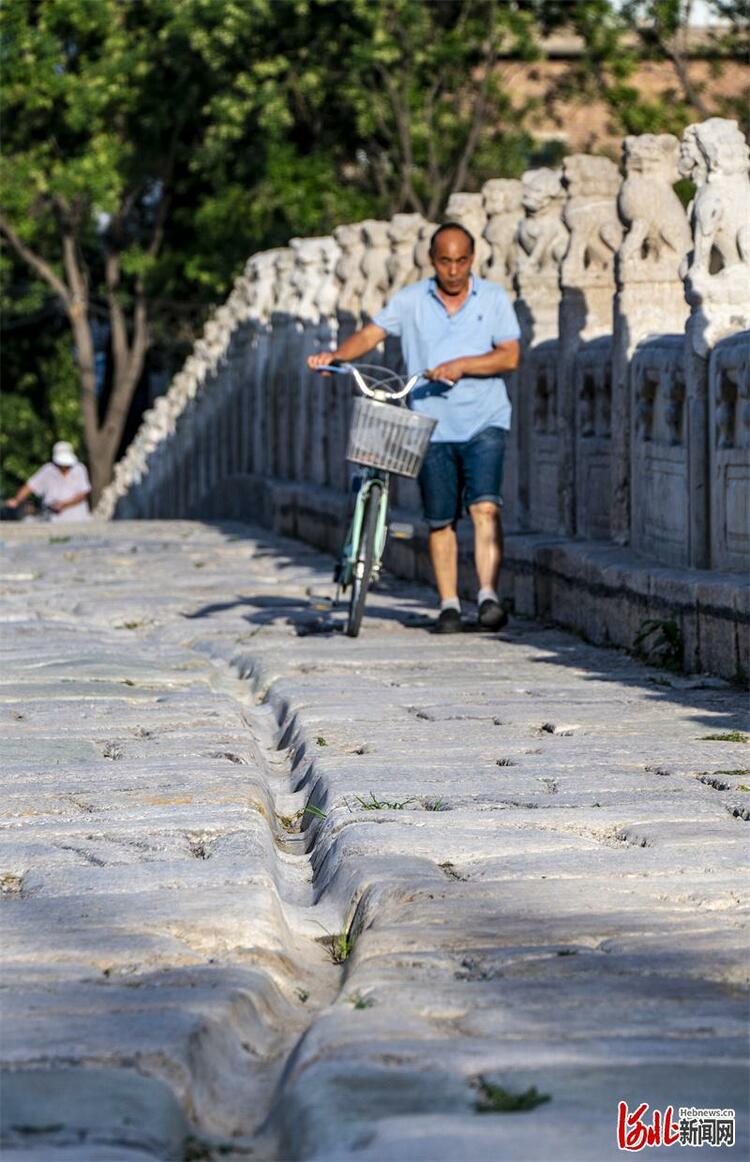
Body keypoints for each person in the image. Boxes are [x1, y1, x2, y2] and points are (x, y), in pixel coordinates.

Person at [308, 222, 521, 633]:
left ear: (472, 260)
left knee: (485, 507)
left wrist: (463, 365)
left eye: (461, 261)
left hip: (485, 419)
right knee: (440, 519)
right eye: (446, 261)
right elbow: (371, 334)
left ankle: (488, 597)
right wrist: (334, 358)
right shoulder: (410, 301)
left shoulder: (493, 298)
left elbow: (508, 356)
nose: (454, 270)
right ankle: (448, 605)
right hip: (429, 425)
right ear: (432, 261)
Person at [5, 441, 91, 522]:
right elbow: (30, 487)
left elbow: (83, 494)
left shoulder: (79, 469)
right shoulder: (47, 470)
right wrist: (16, 500)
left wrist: (64, 504)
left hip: (78, 519)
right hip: (54, 521)